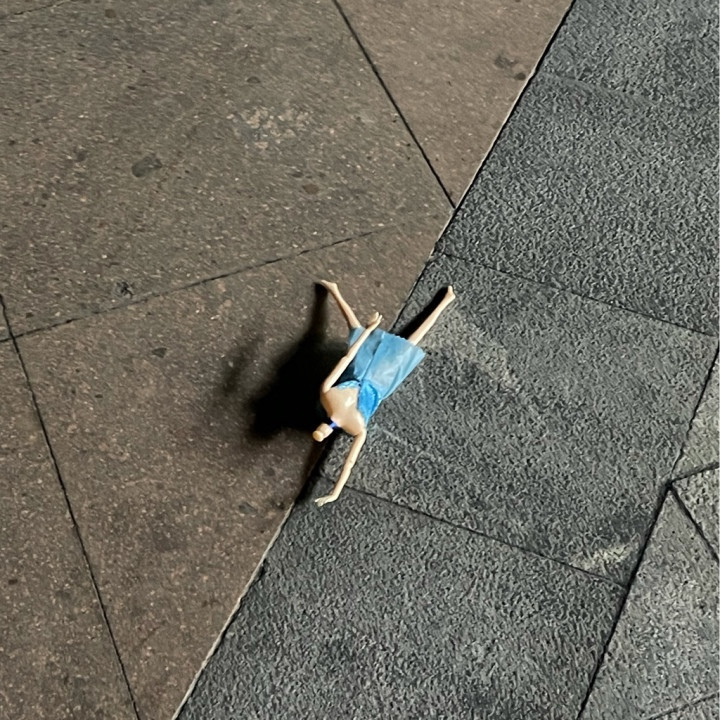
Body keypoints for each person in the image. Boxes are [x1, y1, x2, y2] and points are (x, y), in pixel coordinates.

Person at [313, 280, 455, 506]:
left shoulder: (351, 420)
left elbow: (349, 463)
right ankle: (336, 291)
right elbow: (349, 463)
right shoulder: (329, 397)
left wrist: (335, 493)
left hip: (371, 377)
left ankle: (336, 291)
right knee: (387, 338)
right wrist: (335, 493)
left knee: (405, 340)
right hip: (378, 379)